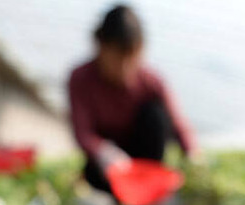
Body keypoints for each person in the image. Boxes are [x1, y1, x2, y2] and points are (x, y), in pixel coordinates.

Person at [68, 5, 196, 195]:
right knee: (93, 173)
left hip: (143, 160)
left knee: (156, 116)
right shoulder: (80, 78)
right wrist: (104, 151)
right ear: (100, 46)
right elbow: (82, 132)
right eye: (117, 59)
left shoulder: (151, 81)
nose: (125, 68)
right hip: (109, 164)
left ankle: (147, 193)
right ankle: (121, 201)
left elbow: (177, 121)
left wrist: (192, 154)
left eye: (132, 59)